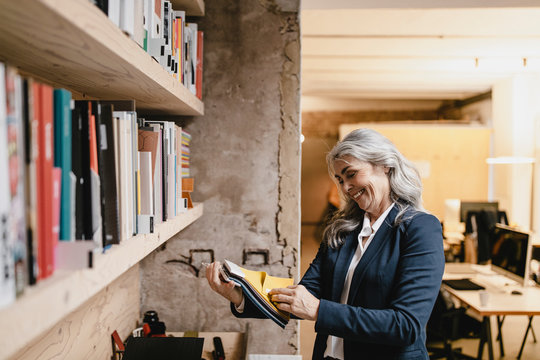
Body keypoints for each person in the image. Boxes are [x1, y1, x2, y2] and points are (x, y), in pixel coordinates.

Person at [206, 128, 445, 360]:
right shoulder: (343, 230)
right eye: (340, 180)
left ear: (385, 165)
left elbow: (406, 325)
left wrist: (319, 310)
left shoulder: (420, 228)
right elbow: (305, 294)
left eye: (351, 174)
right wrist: (241, 295)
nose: (345, 188)